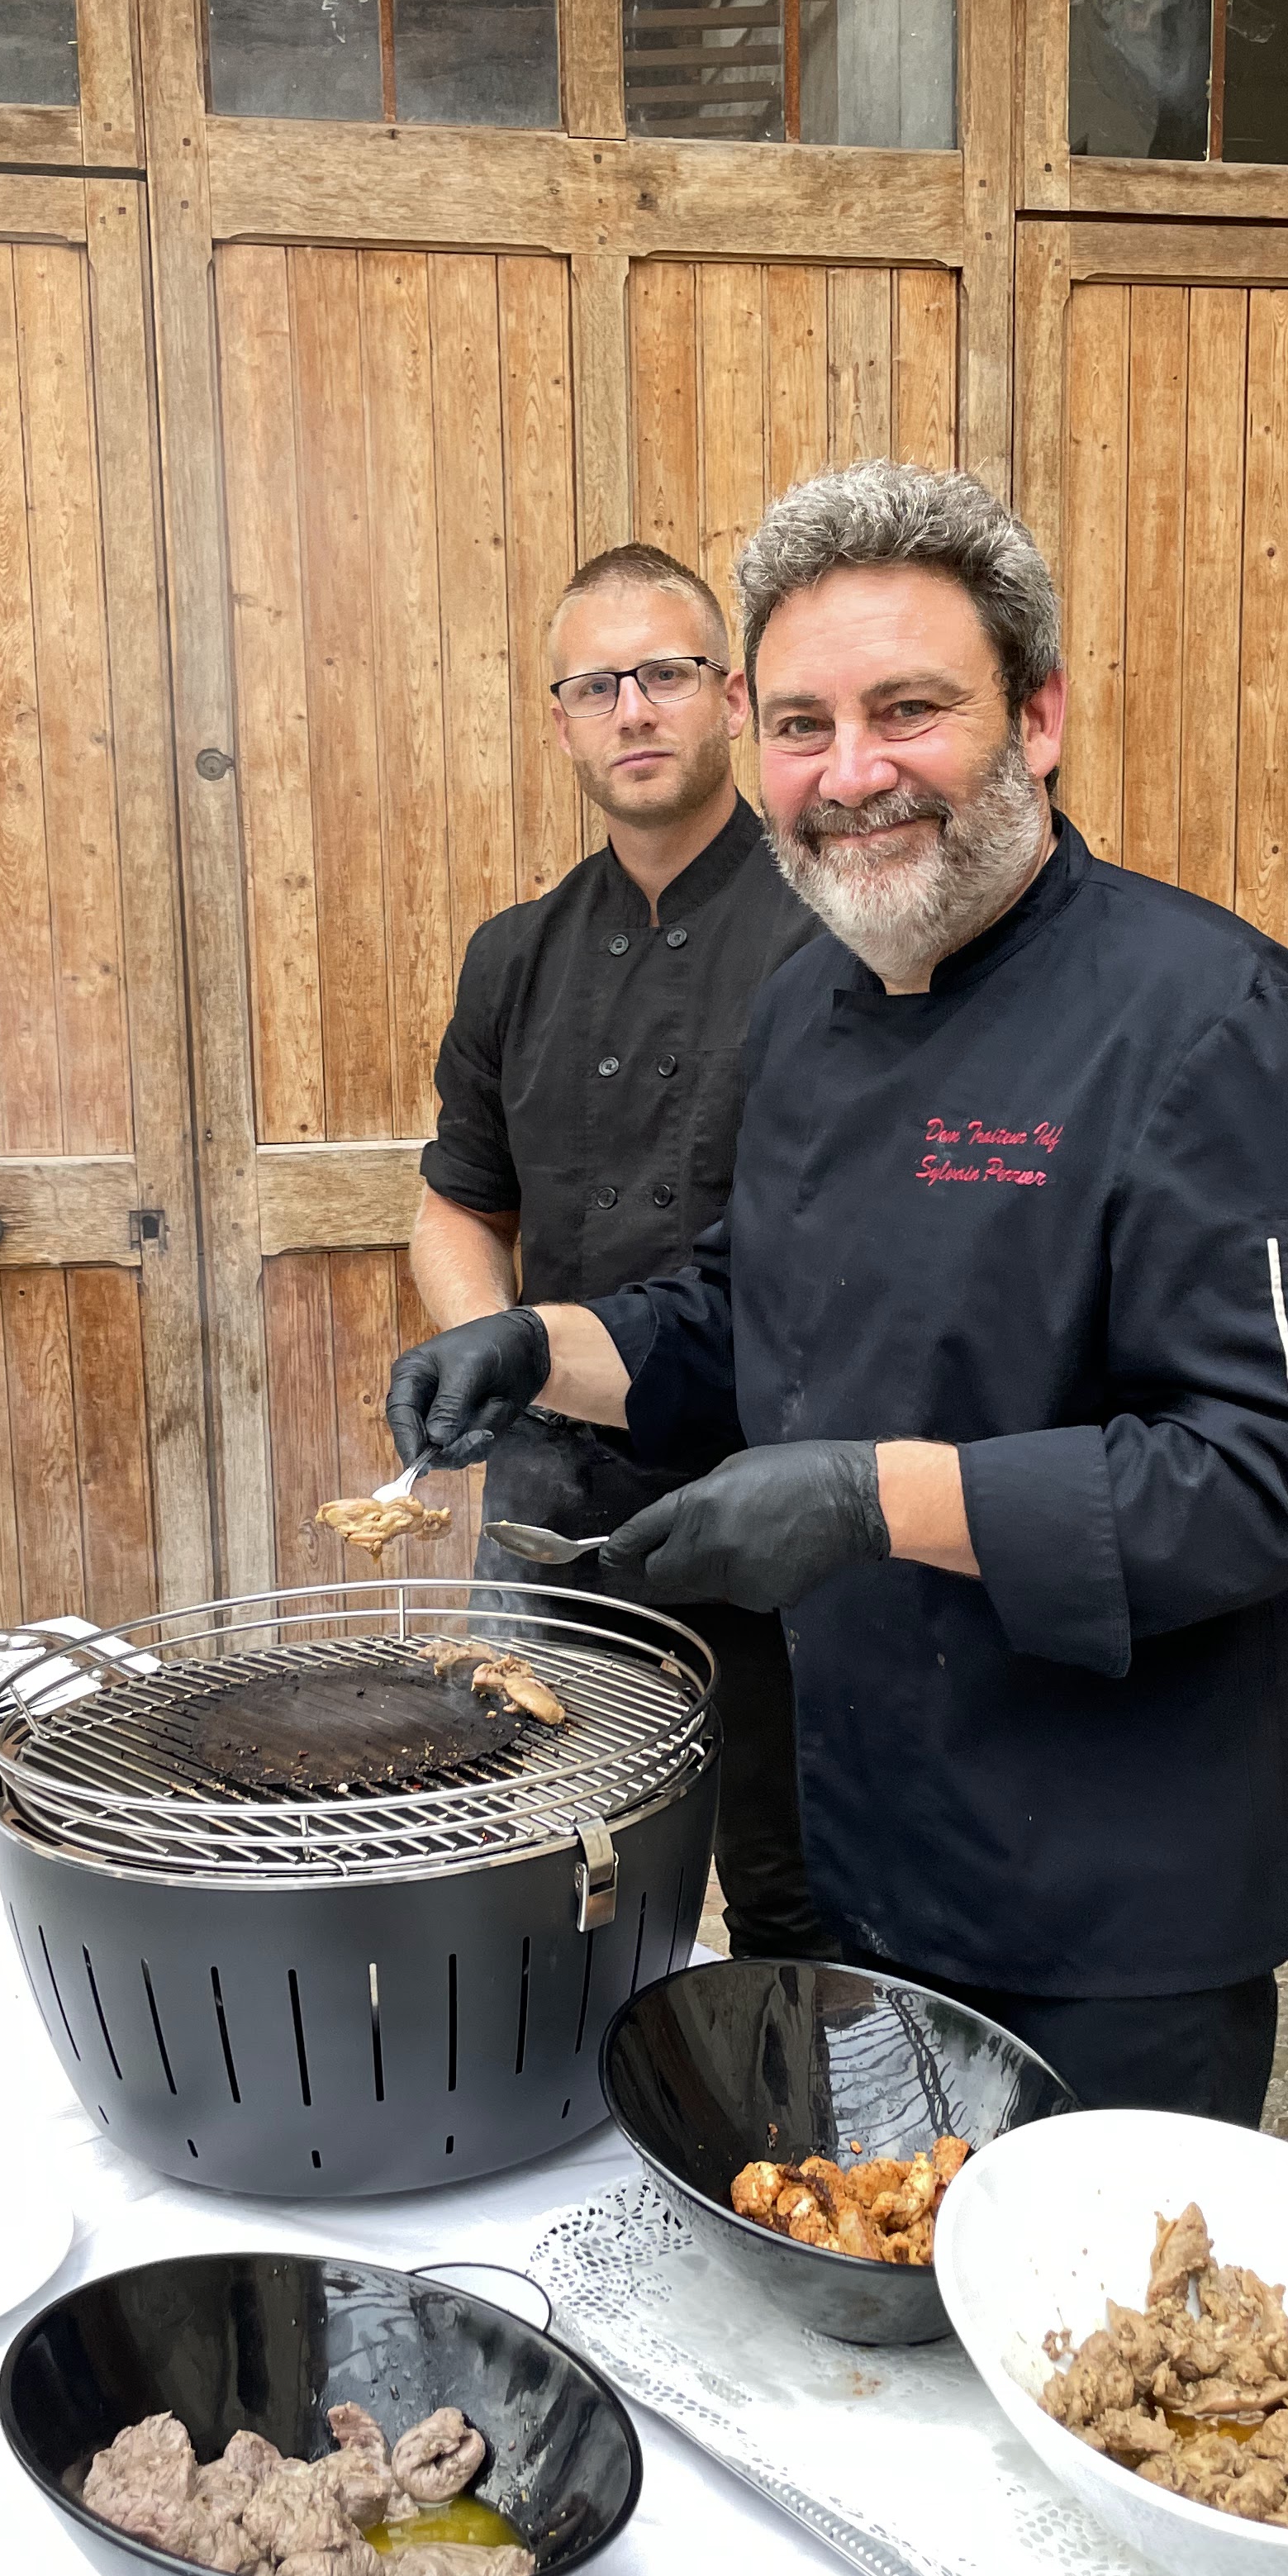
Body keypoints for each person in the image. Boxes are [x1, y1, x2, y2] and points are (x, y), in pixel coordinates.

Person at [387, 464, 1288, 2124]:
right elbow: (745, 1314)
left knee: (1072, 2287)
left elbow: (1283, 1474)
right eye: (805, 725)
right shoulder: (811, 1011)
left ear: (1039, 718)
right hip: (866, 1853)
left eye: (909, 711)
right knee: (864, 2251)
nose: (851, 776)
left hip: (1113, 1895)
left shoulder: (1223, 1023)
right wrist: (537, 1346)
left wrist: (872, 1500)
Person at [407, 538, 829, 1958]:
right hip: (552, 1496)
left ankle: (781, 2090)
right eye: (596, 686)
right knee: (535, 1860)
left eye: (666, 674)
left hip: (774, 1492)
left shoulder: (834, 934)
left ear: (732, 697)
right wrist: (484, 1345)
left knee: (792, 1887)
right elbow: (462, 1201)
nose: (633, 710)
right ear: (560, 723)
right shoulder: (513, 953)